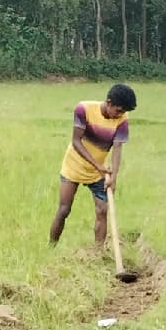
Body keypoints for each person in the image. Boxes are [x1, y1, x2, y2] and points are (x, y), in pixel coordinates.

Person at [49, 83, 137, 247]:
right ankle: (51, 247)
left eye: (124, 112)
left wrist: (114, 177)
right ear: (108, 102)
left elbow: (117, 147)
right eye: (118, 110)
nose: (120, 115)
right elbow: (76, 141)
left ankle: (98, 253)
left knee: (103, 210)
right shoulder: (84, 109)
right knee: (64, 210)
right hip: (73, 166)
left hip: (98, 173)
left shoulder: (122, 120)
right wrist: (97, 165)